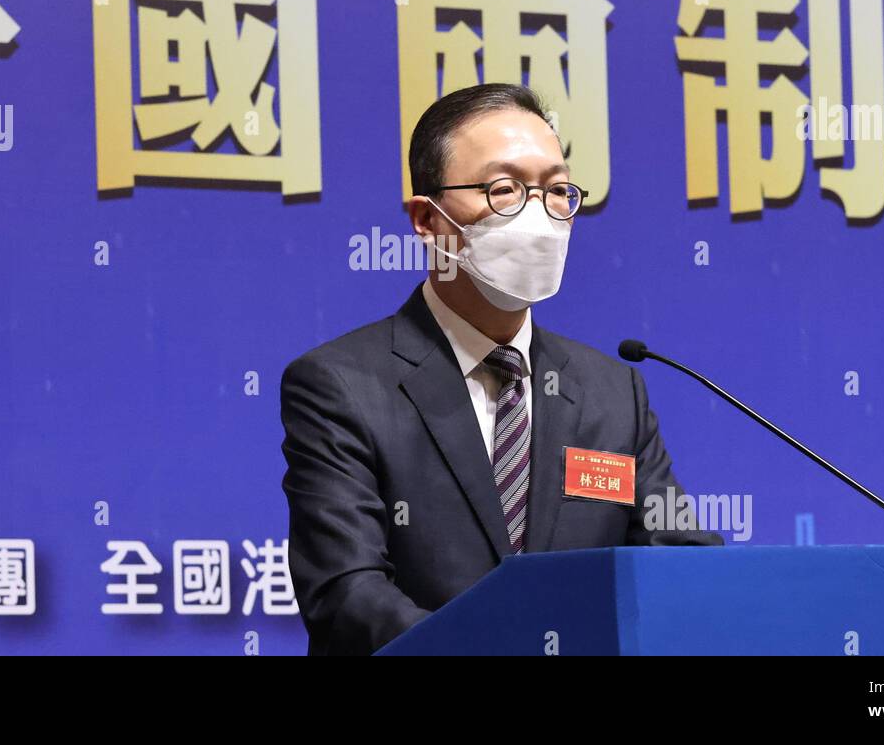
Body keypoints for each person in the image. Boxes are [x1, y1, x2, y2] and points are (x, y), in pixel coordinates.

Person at [280, 83, 722, 656]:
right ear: (426, 219)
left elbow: (678, 566)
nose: (539, 216)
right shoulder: (341, 385)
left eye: (558, 190)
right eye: (504, 189)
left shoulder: (614, 391)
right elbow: (348, 596)